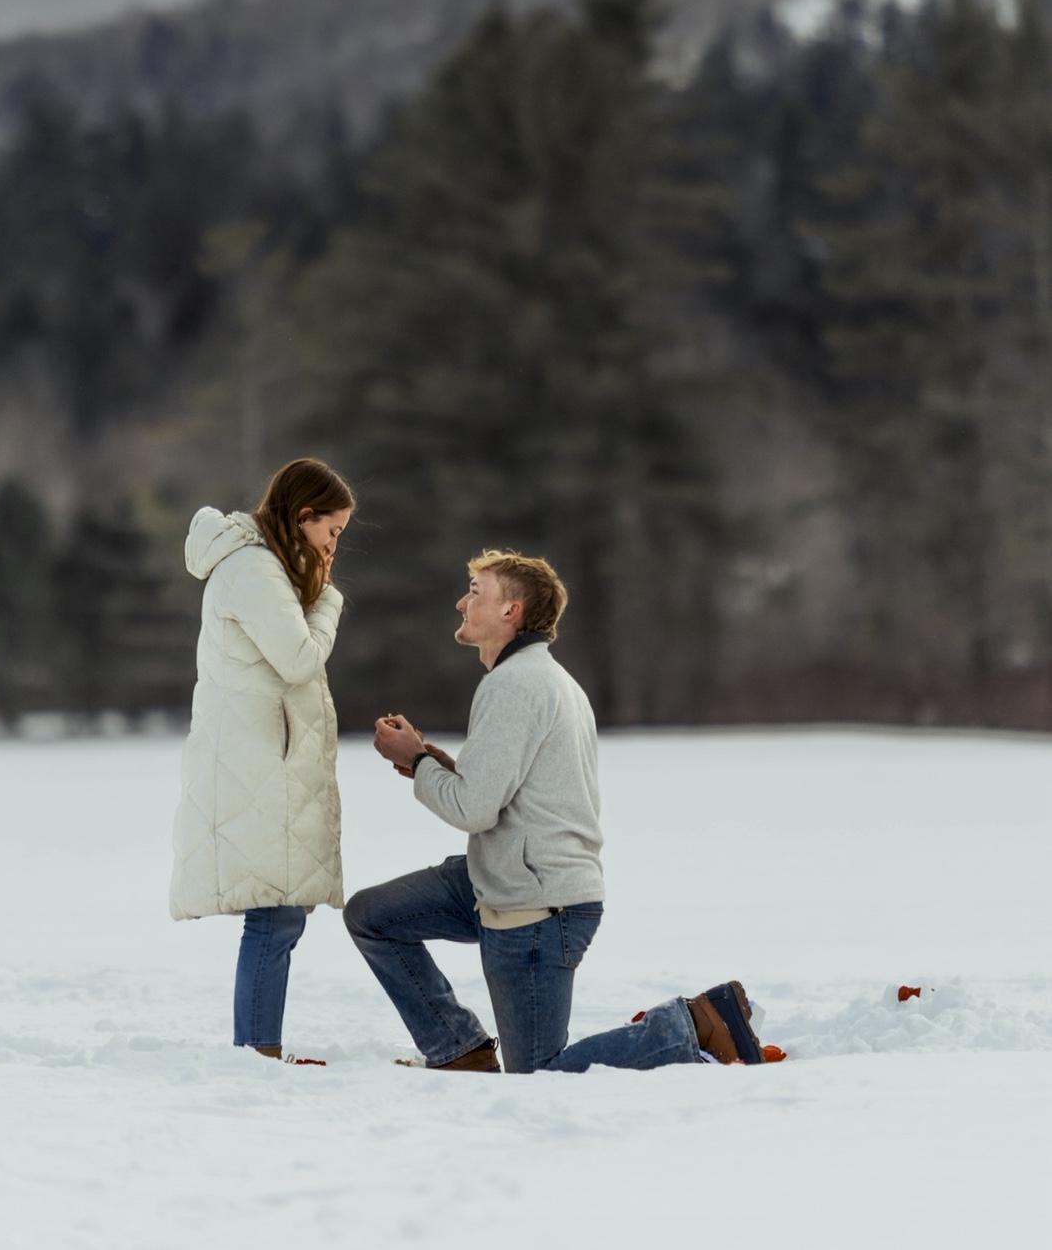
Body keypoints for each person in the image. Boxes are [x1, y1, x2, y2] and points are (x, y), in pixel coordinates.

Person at [347, 549, 765, 1074]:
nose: (461, 601)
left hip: (539, 907)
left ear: (511, 611)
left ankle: (694, 1023)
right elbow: (496, 788)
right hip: (503, 882)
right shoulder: (537, 678)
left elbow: (474, 808)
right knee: (373, 916)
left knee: (540, 1073)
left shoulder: (515, 685)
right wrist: (424, 762)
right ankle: (457, 1048)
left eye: (476, 592)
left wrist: (414, 761)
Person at [171, 458, 354, 1063]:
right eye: (332, 531)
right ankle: (256, 1053)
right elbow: (299, 660)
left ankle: (259, 1047)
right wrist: (326, 602)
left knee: (280, 916)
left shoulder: (262, 566)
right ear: (304, 516)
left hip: (262, 767)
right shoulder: (251, 569)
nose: (334, 545)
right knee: (273, 917)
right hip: (256, 772)